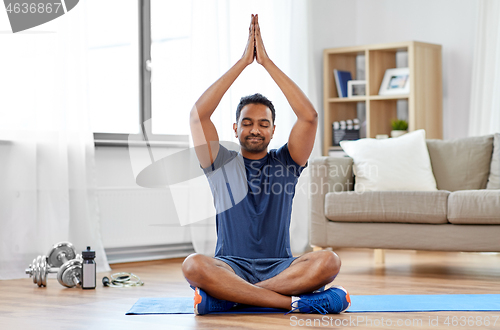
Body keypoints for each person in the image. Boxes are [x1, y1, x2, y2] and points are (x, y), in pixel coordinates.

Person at [182, 14, 350, 315]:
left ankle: (229, 299)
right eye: (246, 123)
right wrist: (243, 62)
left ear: (273, 130)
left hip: (281, 267)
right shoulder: (219, 163)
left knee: (329, 261)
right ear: (235, 129)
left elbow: (309, 117)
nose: (255, 129)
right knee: (193, 264)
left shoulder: (287, 161)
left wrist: (266, 62)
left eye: (263, 123)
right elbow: (198, 116)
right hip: (229, 266)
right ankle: (295, 303)